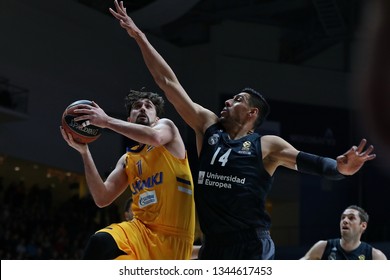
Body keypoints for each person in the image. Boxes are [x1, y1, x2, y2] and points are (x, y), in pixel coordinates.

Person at [109, 0, 376, 259]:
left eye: (237, 100)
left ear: (251, 113)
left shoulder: (268, 145)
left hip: (251, 243)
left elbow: (312, 163)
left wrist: (341, 169)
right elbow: (167, 82)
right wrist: (139, 36)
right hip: (213, 244)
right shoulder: (207, 126)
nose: (227, 101)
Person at [60, 89, 196, 259]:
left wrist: (107, 121)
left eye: (148, 106)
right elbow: (102, 198)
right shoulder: (127, 159)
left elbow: (155, 138)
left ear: (157, 119)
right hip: (139, 234)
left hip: (174, 240)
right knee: (101, 241)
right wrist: (85, 153)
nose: (143, 109)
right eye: (137, 106)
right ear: (129, 120)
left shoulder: (167, 129)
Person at [300, 205, 387, 260]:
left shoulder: (375, 256)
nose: (345, 220)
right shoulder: (323, 247)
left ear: (363, 226)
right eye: (343, 217)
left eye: (351, 218)